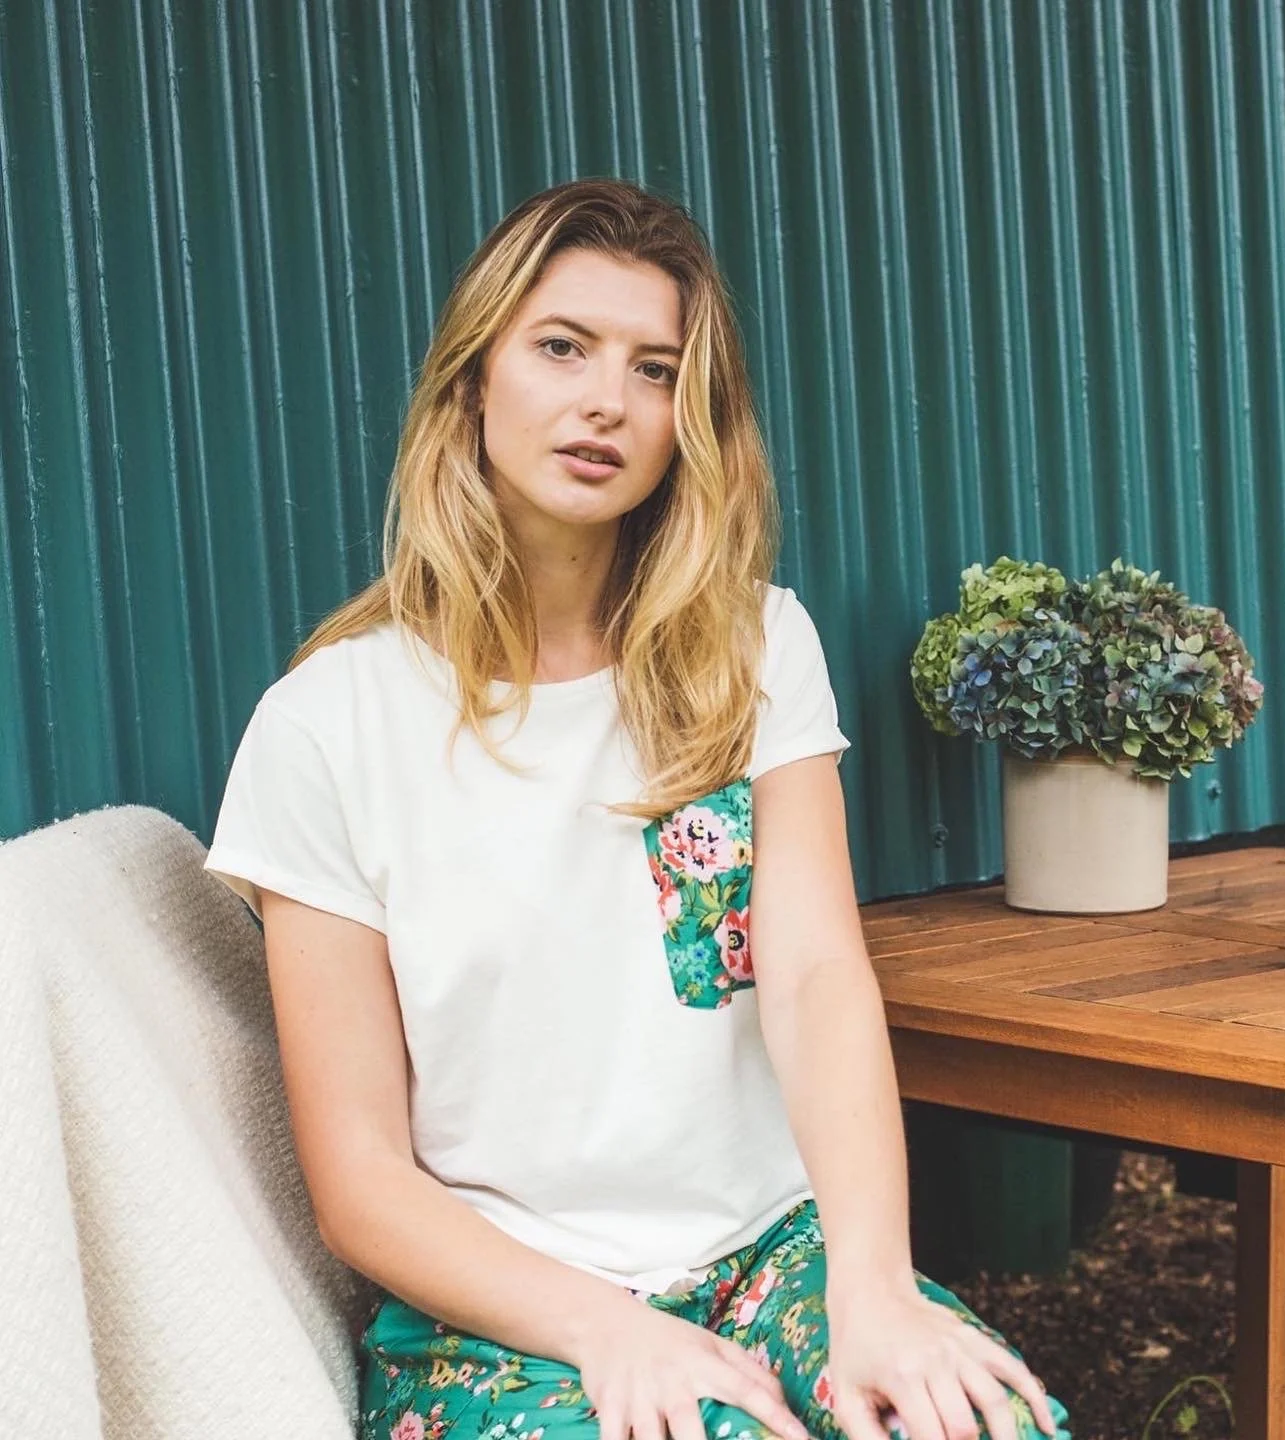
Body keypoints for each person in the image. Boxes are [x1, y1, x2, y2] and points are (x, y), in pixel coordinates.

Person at [203, 177, 1071, 1440]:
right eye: (562, 348)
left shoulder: (754, 648)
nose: (608, 399)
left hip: (772, 1252)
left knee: (986, 1427)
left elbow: (818, 977)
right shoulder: (327, 724)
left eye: (655, 370)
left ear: (687, 421)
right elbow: (361, 1179)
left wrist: (873, 1285)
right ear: (473, 384)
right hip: (503, 1311)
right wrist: (610, 1331)